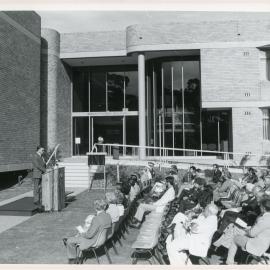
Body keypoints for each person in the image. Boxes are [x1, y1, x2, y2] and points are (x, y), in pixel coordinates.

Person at [65, 199, 112, 264]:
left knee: (69, 240)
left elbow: (89, 235)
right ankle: (76, 253)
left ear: (95, 208)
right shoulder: (108, 216)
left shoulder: (96, 219)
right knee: (77, 236)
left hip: (93, 241)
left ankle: (73, 260)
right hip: (102, 239)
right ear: (105, 207)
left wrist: (82, 233)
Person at [226, 196, 270, 264]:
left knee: (235, 238)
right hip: (263, 244)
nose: (259, 207)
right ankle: (234, 258)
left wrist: (246, 229)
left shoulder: (265, 219)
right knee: (238, 233)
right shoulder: (266, 217)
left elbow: (252, 233)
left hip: (256, 244)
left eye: (260, 206)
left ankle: (229, 262)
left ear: (264, 208)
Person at [32, 146, 46, 211]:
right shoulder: (35, 156)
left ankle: (39, 199)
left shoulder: (41, 157)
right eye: (42, 150)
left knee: (40, 188)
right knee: (36, 188)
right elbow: (37, 165)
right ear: (39, 150)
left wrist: (44, 162)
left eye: (43, 150)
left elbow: (43, 164)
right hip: (37, 174)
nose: (43, 151)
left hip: (41, 174)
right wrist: (45, 170)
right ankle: (36, 200)